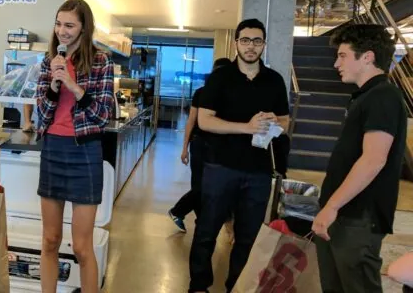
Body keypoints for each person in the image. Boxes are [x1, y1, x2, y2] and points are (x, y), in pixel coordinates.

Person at [188, 18, 290, 293]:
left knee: (248, 236)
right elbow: (205, 121)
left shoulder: (274, 80)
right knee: (207, 229)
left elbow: (286, 121)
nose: (251, 46)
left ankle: (237, 286)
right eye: (245, 40)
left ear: (263, 45)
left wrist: (274, 121)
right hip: (220, 167)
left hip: (257, 171)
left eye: (257, 41)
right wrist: (246, 127)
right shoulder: (221, 78)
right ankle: (199, 285)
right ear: (236, 43)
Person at [312, 24, 407, 293]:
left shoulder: (383, 97)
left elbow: (373, 160)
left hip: (359, 216)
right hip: (345, 213)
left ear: (367, 57)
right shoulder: (366, 96)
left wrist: (331, 206)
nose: (336, 63)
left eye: (342, 55)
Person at [35, 0, 115, 293]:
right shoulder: (48, 62)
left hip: (85, 152)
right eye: (58, 24)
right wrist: (53, 88)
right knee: (50, 240)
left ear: (84, 28)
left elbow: (102, 115)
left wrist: (72, 84)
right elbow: (42, 114)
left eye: (69, 25)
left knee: (82, 246)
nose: (62, 31)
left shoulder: (101, 62)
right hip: (54, 148)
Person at [168, 57, 232, 233]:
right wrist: (184, 149)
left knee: (209, 186)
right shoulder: (202, 92)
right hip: (200, 145)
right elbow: (191, 122)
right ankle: (181, 212)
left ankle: (191, 216)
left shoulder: (227, 95)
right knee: (200, 186)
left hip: (218, 146)